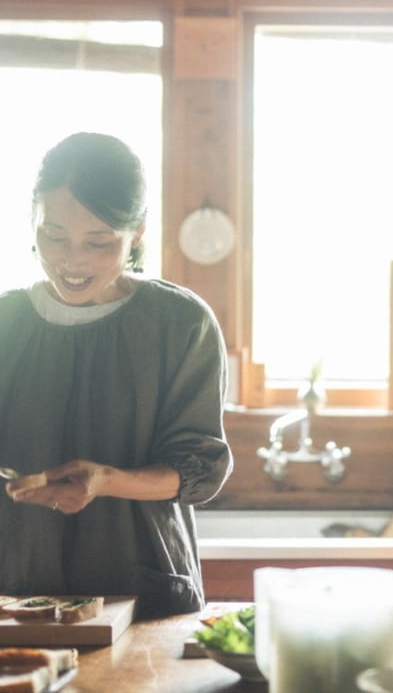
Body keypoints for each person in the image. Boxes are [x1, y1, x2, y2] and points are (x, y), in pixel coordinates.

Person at [0, 132, 233, 618]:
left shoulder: (179, 323)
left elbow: (199, 468)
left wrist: (107, 481)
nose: (72, 260)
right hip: (18, 591)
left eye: (98, 241)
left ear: (138, 233)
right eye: (55, 235)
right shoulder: (7, 321)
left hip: (142, 589)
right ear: (32, 221)